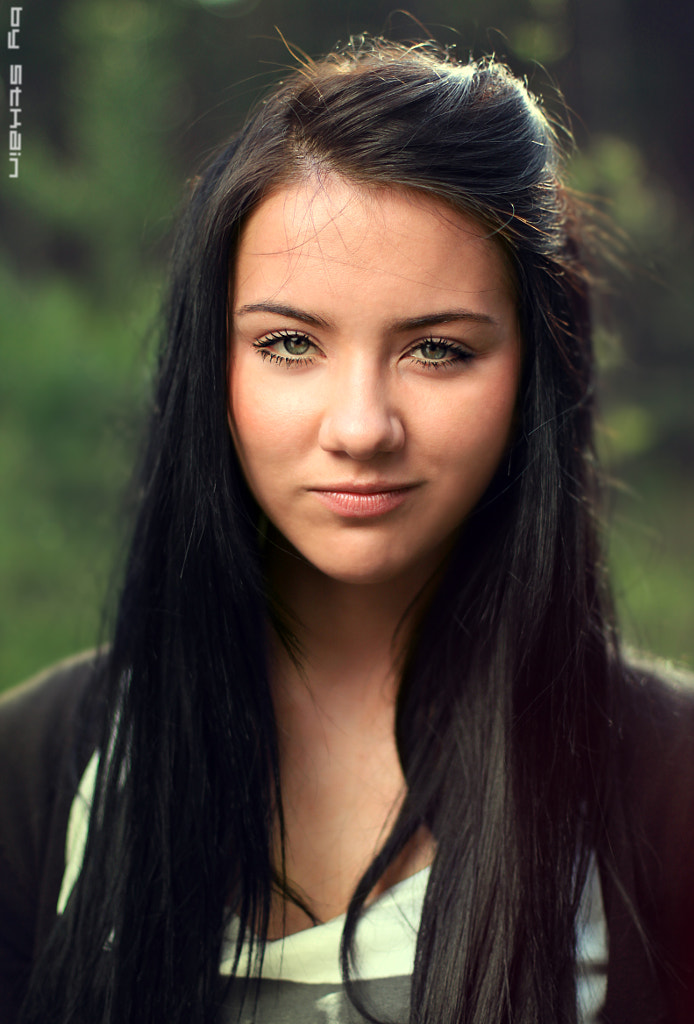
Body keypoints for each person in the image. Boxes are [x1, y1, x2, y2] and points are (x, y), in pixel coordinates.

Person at [1, 36, 693, 1024]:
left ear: (536, 370)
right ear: (215, 363)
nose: (361, 426)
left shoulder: (668, 785)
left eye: (438, 350)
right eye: (289, 343)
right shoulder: (37, 768)